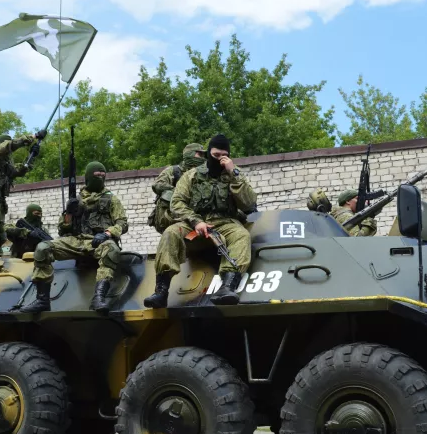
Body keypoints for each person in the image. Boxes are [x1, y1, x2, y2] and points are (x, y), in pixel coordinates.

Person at [145, 134, 256, 308]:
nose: (220, 159)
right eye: (216, 154)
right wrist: (196, 221)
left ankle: (227, 286)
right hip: (193, 224)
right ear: (209, 153)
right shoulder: (192, 175)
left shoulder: (235, 174)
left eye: (224, 155)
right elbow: (177, 203)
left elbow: (249, 203)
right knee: (170, 233)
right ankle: (161, 291)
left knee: (242, 235)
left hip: (224, 223)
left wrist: (233, 173)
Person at [15, 162, 127, 314]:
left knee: (112, 250)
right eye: (96, 175)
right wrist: (69, 212)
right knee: (43, 248)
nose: (100, 177)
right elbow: (63, 229)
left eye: (102, 175)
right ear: (88, 176)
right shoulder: (77, 199)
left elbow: (122, 223)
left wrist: (107, 233)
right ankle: (42, 300)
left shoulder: (111, 199)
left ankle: (98, 298)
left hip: (98, 240)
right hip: (76, 240)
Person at [148, 143, 205, 234]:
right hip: (175, 217)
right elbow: (157, 185)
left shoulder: (203, 172)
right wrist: (178, 191)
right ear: (189, 154)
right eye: (200, 154)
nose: (202, 157)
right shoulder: (174, 170)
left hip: (197, 217)